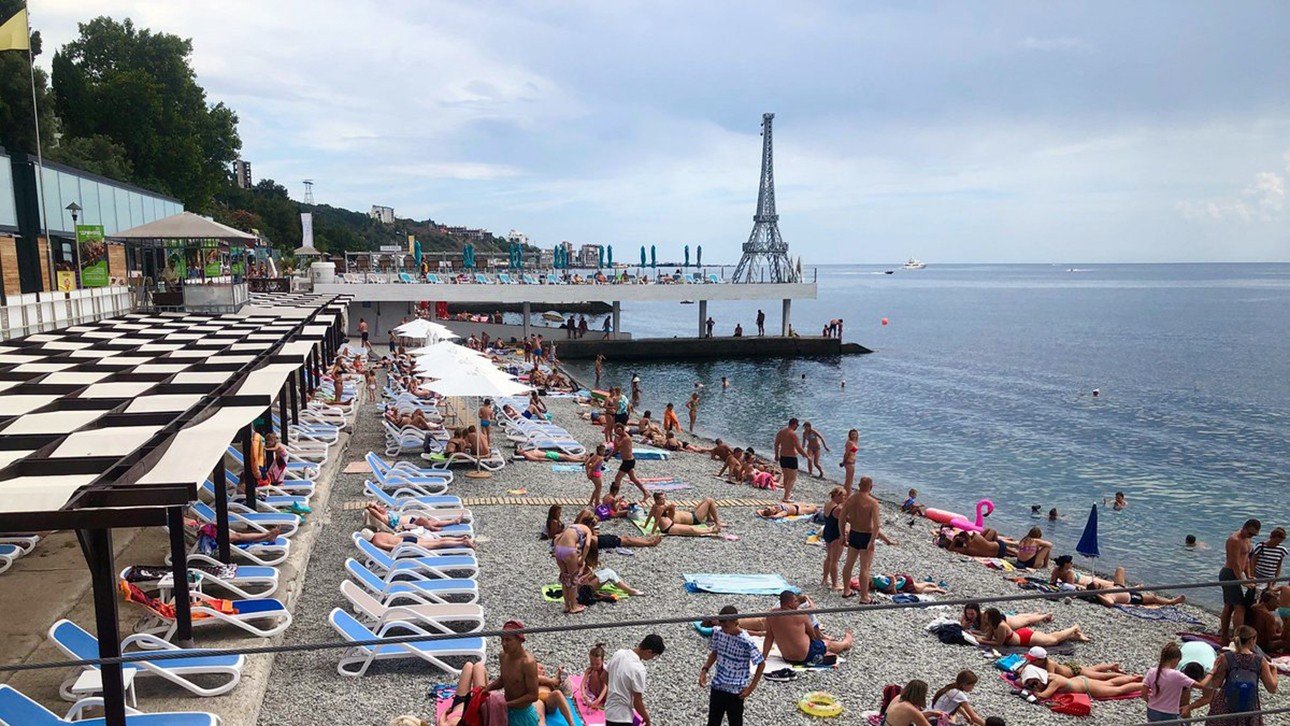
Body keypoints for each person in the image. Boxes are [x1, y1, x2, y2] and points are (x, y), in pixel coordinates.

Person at [1192, 625, 1279, 723]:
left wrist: (1212, 671)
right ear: (1252, 640)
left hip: (1225, 707)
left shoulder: (1225, 657)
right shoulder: (1260, 661)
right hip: (1249, 709)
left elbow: (1215, 684)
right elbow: (1272, 688)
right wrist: (1274, 670)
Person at [700, 605, 765, 726]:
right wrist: (705, 669)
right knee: (713, 721)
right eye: (722, 625)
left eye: (726, 626)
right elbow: (715, 652)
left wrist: (751, 687)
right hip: (718, 686)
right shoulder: (718, 633)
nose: (724, 629)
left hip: (736, 691)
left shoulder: (746, 641)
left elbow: (761, 663)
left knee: (735, 722)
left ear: (736, 622)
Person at [762, 590, 853, 665]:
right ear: (790, 603)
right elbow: (812, 634)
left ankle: (821, 654)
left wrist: (764, 656)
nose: (797, 603)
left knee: (816, 643)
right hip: (805, 656)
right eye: (795, 601)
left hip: (787, 658)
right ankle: (845, 644)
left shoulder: (771, 615)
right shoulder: (800, 615)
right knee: (827, 643)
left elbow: (769, 637)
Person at [486, 620, 540, 726]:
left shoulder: (527, 663)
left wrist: (507, 704)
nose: (504, 644)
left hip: (523, 714)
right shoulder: (503, 656)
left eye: (508, 640)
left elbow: (533, 695)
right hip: (507, 710)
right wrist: (487, 688)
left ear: (519, 640)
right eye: (502, 640)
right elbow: (503, 680)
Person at [605, 634, 664, 726]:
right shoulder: (638, 669)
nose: (652, 658)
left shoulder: (619, 654)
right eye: (654, 655)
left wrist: (615, 687)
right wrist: (646, 718)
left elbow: (603, 676)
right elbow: (637, 702)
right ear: (649, 651)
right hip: (623, 716)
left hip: (609, 711)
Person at [1221, 519, 1262, 642]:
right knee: (1239, 607)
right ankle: (1238, 638)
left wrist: (1249, 575)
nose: (1251, 536)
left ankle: (1226, 635)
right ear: (1244, 528)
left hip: (1239, 574)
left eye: (1254, 535)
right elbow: (1234, 563)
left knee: (1229, 606)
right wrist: (1243, 581)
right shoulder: (1234, 540)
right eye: (1250, 533)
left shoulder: (1247, 540)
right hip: (1229, 574)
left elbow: (1246, 559)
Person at [841, 476, 881, 601]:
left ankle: (846, 590)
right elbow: (877, 524)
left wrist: (842, 534)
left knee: (849, 564)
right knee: (865, 568)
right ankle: (864, 597)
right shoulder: (872, 502)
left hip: (854, 532)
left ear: (859, 485)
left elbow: (842, 518)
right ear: (870, 487)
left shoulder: (851, 499)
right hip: (866, 535)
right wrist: (872, 541)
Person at [1142, 643, 1200, 723]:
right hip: (1169, 713)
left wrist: (1150, 702)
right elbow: (1201, 685)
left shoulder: (1152, 671)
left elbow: (1144, 693)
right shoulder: (1177, 675)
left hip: (1152, 710)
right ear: (1175, 659)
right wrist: (1212, 672)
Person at [974, 608, 1089, 647]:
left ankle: (1074, 628)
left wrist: (982, 642)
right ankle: (1074, 636)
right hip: (1020, 635)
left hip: (1025, 639)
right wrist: (973, 635)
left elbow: (998, 643)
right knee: (1050, 638)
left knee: (1053, 640)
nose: (984, 619)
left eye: (986, 617)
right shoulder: (993, 625)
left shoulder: (1001, 626)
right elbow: (988, 638)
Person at [553, 522, 595, 614]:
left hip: (558, 549)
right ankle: (573, 606)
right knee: (573, 579)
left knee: (565, 578)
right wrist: (582, 559)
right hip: (569, 551)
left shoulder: (572, 527)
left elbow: (556, 539)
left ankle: (566, 606)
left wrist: (556, 550)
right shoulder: (587, 530)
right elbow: (587, 545)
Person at [612, 424, 649, 501]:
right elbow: (616, 449)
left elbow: (618, 445)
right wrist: (609, 456)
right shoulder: (621, 437)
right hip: (628, 461)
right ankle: (645, 492)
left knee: (618, 478)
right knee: (633, 479)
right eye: (616, 431)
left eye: (619, 431)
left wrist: (615, 437)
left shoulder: (626, 438)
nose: (618, 432)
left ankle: (613, 495)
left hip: (628, 462)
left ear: (623, 430)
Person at [773, 418, 807, 502]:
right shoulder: (792, 434)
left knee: (786, 477)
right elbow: (798, 448)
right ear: (794, 424)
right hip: (791, 458)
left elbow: (776, 444)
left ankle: (787, 494)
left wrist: (776, 455)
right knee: (792, 478)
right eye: (797, 425)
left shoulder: (781, 432)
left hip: (783, 457)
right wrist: (806, 455)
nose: (797, 427)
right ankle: (786, 497)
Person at [960, 603, 1053, 632]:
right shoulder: (966, 616)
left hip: (1002, 621)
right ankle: (1036, 614)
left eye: (972, 614)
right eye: (968, 614)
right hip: (998, 617)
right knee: (1018, 617)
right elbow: (961, 625)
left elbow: (984, 630)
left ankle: (1045, 615)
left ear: (977, 611)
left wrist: (970, 629)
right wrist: (964, 626)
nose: (970, 616)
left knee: (1025, 621)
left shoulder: (984, 616)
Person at [821, 487, 847, 590]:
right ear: (837, 495)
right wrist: (843, 536)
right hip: (835, 534)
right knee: (835, 560)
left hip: (827, 531)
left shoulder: (828, 504)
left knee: (829, 557)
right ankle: (834, 584)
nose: (845, 498)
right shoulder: (838, 509)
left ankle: (825, 579)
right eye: (843, 496)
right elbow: (843, 522)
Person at [1084, 581, 1186, 607]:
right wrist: (1098, 594)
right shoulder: (1106, 595)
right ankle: (1171, 602)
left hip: (1128, 592)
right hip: (1131, 598)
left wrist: (1135, 588)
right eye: (1099, 586)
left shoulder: (1106, 589)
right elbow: (1110, 603)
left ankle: (1170, 601)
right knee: (1153, 598)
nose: (1102, 586)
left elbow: (1120, 589)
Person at [1251, 527, 1288, 591]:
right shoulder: (1260, 546)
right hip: (1258, 575)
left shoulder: (1281, 550)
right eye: (1276, 541)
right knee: (1254, 593)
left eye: (1279, 542)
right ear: (1271, 537)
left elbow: (1278, 565)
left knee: (1267, 595)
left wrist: (1276, 578)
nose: (1277, 544)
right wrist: (1252, 576)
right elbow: (1252, 562)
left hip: (1271, 577)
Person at [581, 643, 609, 711]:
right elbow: (583, 684)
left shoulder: (605, 670)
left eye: (597, 664)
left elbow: (605, 687)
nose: (594, 666)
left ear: (602, 661)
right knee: (594, 673)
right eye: (592, 663)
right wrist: (584, 695)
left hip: (606, 691)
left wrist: (598, 700)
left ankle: (603, 701)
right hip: (596, 691)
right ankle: (595, 696)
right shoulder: (590, 669)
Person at [585, 444, 606, 508]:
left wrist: (588, 472)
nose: (604, 452)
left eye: (604, 451)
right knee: (599, 489)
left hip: (592, 473)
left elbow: (586, 463)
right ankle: (597, 503)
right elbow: (594, 465)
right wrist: (591, 468)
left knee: (597, 488)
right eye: (603, 451)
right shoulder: (600, 458)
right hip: (596, 474)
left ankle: (591, 502)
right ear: (599, 451)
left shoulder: (594, 455)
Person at [839, 429, 859, 494]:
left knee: (850, 480)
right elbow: (846, 453)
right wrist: (843, 462)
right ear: (850, 435)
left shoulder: (855, 442)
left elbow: (853, 453)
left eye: (855, 434)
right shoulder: (849, 443)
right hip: (848, 462)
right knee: (848, 481)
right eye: (852, 434)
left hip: (852, 462)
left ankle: (846, 493)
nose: (854, 436)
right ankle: (846, 494)